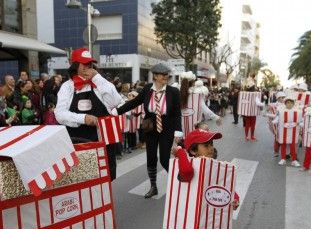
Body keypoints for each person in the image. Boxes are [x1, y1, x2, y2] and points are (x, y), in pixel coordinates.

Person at [55, 48, 124, 180]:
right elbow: (60, 114)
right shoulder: (67, 87)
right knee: (82, 181)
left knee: (105, 180)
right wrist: (83, 118)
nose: (88, 67)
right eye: (84, 64)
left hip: (103, 142)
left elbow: (116, 102)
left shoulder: (100, 84)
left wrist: (98, 78)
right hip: (79, 142)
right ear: (75, 65)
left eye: (90, 64)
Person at [116, 63, 182, 198]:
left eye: (167, 74)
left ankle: (179, 182)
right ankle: (153, 186)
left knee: (164, 159)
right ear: (155, 76)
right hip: (150, 126)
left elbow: (177, 113)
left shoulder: (173, 92)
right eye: (163, 75)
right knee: (151, 158)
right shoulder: (147, 89)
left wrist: (178, 131)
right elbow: (134, 103)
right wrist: (117, 111)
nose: (166, 77)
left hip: (167, 127)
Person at [179, 71, 221, 137]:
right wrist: (216, 117)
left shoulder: (177, 94)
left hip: (180, 130)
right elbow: (205, 109)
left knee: (183, 146)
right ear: (193, 83)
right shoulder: (197, 95)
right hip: (194, 128)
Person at [272, 96, 301, 167]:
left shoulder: (297, 112)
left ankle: (294, 160)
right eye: (288, 103)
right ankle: (283, 159)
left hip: (293, 132)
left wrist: (301, 124)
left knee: (292, 146)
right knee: (283, 145)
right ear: (285, 103)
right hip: (283, 131)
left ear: (293, 104)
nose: (289, 104)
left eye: (291, 103)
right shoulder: (281, 111)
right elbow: (277, 118)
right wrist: (274, 121)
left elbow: (301, 121)